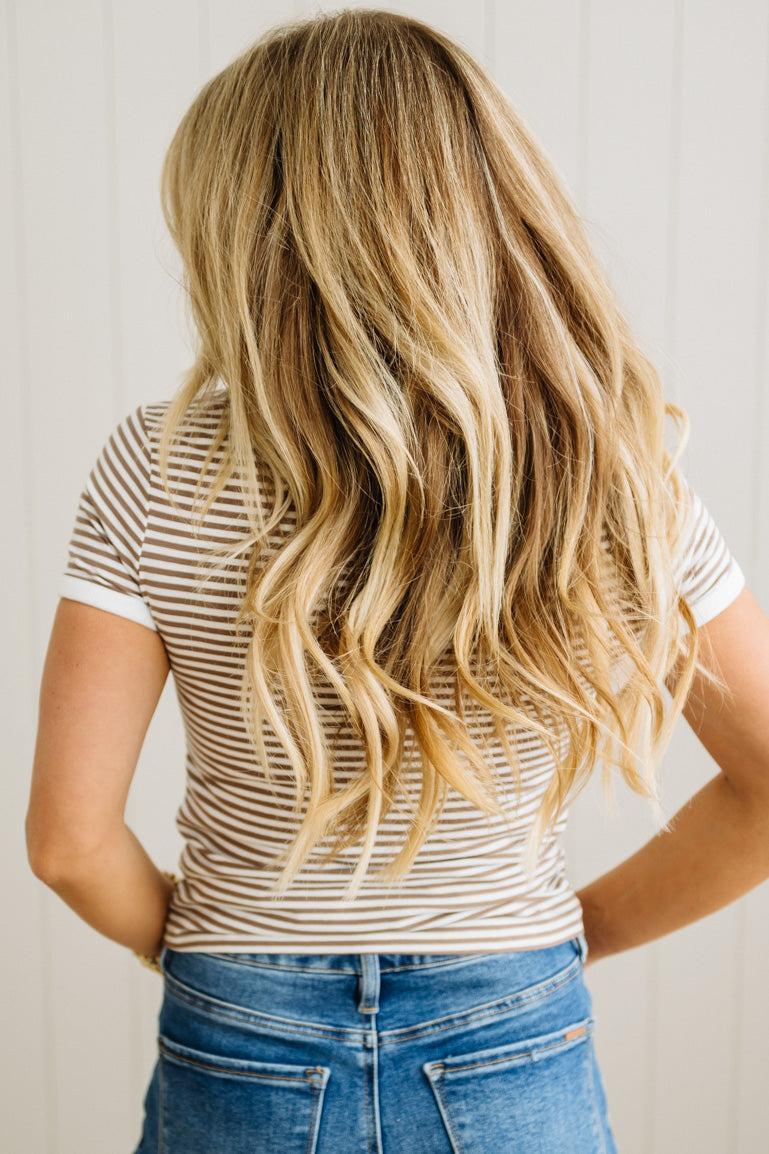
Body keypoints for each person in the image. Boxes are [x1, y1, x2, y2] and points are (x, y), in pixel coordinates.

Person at [25, 9, 769, 1154]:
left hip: (242, 1023)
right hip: (512, 1017)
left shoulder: (157, 464)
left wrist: (197, 947)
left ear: (245, 235)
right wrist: (571, 934)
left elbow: (70, 842)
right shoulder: (612, 471)